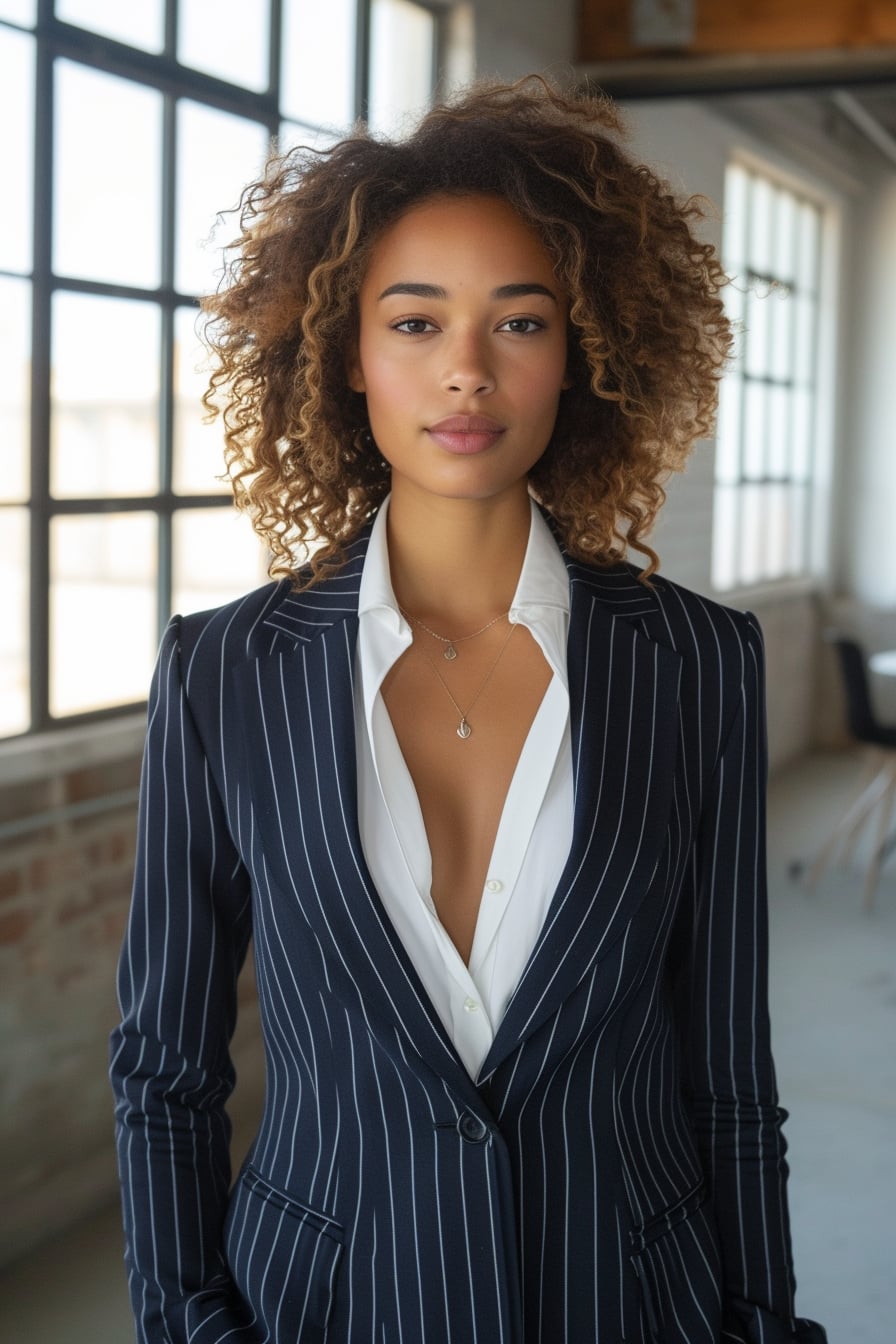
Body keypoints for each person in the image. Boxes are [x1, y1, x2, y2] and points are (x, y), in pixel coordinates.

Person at [110, 77, 826, 1344]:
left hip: (627, 1301)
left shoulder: (698, 662)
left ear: (583, 351)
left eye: (520, 320)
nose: (464, 373)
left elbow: (726, 1072)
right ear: (343, 350)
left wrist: (757, 1319)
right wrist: (188, 1327)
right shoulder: (223, 672)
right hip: (323, 1304)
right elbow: (166, 1076)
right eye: (414, 320)